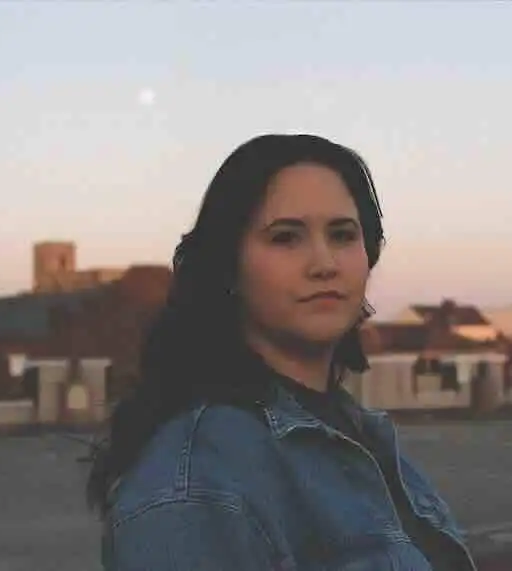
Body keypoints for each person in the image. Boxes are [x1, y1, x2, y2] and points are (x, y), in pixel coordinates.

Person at [86, 134, 477, 571]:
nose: (324, 263)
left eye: (343, 235)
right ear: (228, 265)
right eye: (286, 237)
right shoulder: (198, 481)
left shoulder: (356, 432)